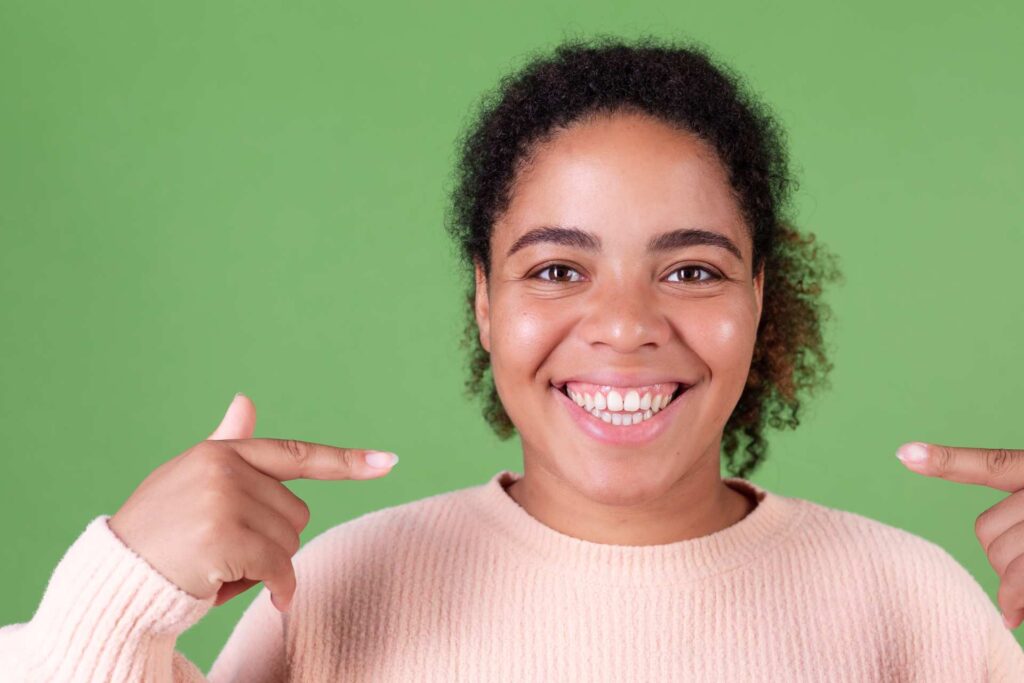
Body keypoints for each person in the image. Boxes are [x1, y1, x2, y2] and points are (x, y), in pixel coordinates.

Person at [2, 35, 1022, 682]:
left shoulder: (908, 600)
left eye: (693, 272)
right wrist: (120, 585)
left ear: (760, 301)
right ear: (483, 304)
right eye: (555, 271)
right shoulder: (340, 593)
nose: (624, 324)